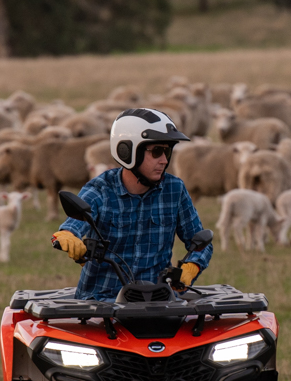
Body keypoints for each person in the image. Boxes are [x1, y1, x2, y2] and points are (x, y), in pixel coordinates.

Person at [51, 108, 212, 300]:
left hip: (158, 302)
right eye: (157, 151)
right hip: (101, 303)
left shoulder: (175, 189)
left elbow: (201, 242)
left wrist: (192, 266)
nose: (164, 160)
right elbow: (72, 226)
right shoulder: (100, 188)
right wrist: (68, 236)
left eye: (167, 151)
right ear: (127, 151)